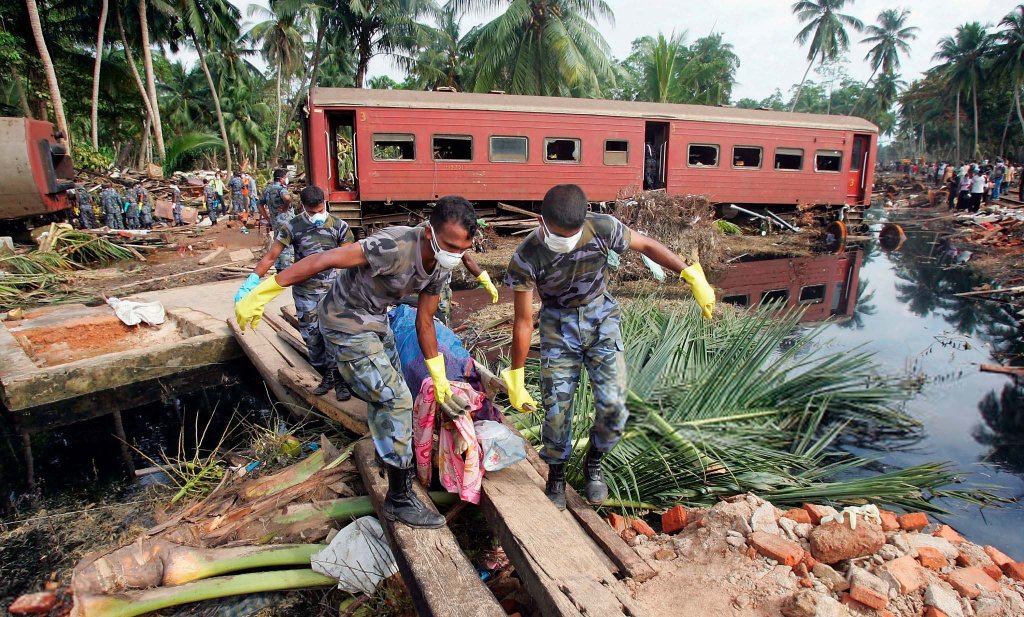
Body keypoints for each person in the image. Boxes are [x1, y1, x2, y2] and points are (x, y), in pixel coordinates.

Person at [235, 196, 478, 529]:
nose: (454, 255)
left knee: (394, 391)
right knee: (396, 400)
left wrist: (439, 379)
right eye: (449, 245)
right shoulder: (393, 245)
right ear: (428, 231)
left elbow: (425, 322)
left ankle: (387, 451)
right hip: (344, 320)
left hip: (377, 319)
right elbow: (324, 258)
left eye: (462, 249)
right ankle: (399, 498)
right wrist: (265, 289)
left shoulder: (441, 266)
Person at [500, 184, 715, 509]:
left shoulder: (602, 228)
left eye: (570, 236)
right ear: (541, 222)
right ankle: (555, 473)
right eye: (557, 235)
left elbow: (647, 244)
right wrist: (516, 373)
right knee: (556, 409)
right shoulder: (527, 255)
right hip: (558, 325)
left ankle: (594, 463)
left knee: (614, 406)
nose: (564, 242)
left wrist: (690, 274)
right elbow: (523, 319)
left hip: (601, 318)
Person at [238, 185, 355, 401]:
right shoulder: (292, 226)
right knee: (312, 336)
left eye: (321, 210)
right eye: (312, 212)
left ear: (325, 204)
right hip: (305, 292)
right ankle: (325, 375)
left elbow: (349, 257)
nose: (317, 216)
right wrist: (252, 282)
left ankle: (339, 379)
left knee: (334, 335)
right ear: (303, 207)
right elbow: (271, 257)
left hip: (333, 291)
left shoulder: (339, 226)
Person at [258, 169, 295, 271]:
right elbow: (287, 198)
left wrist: (267, 218)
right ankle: (286, 268)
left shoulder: (267, 189)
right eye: (285, 177)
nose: (286, 179)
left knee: (277, 243)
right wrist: (285, 207)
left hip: (275, 221)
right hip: (286, 221)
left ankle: (279, 266)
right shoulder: (281, 189)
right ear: (280, 178)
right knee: (287, 244)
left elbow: (259, 204)